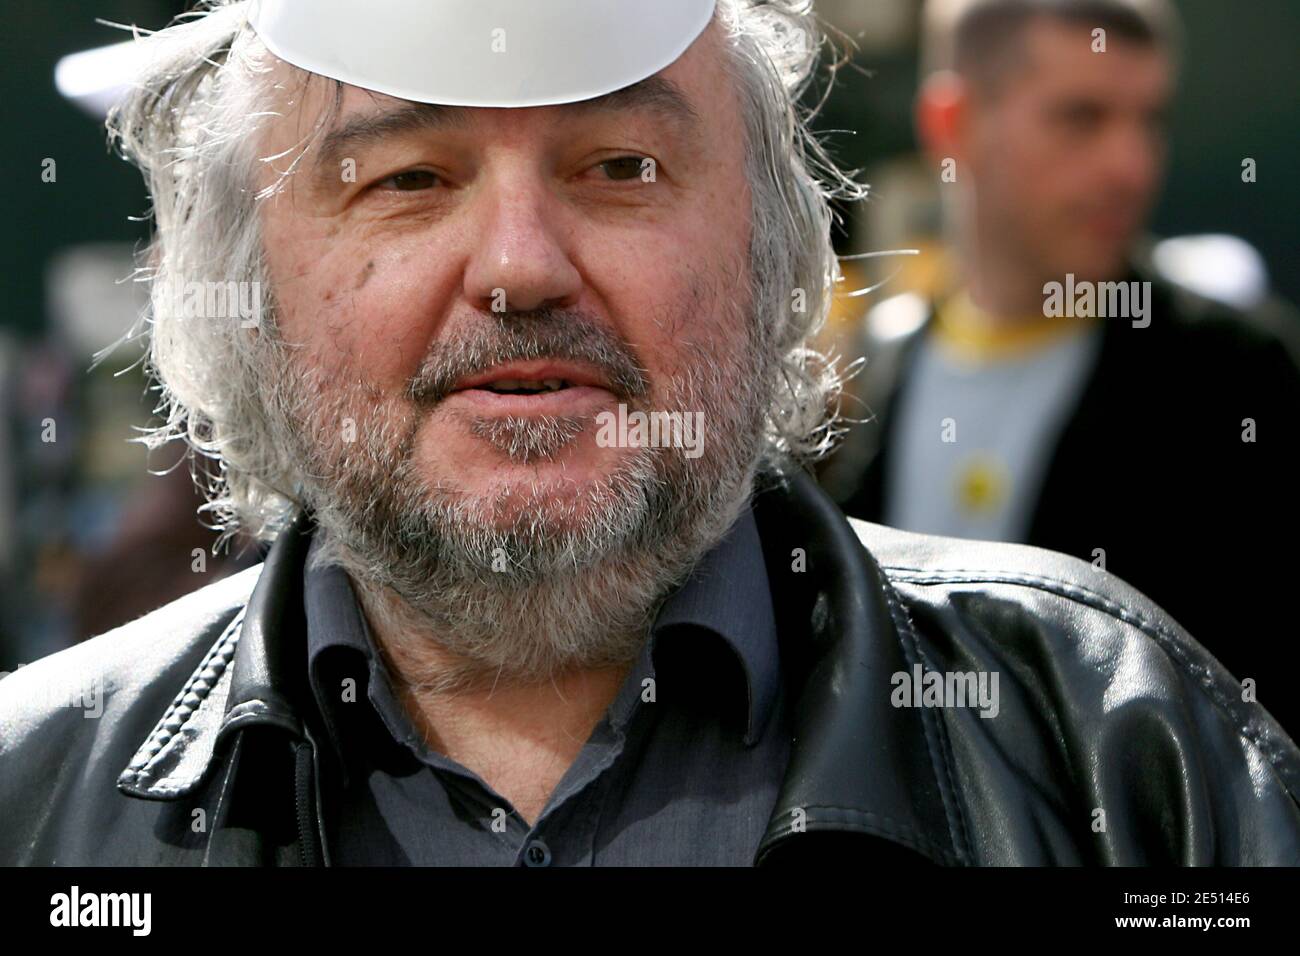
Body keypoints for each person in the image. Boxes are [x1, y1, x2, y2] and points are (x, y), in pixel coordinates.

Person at [1, 0, 1297, 867]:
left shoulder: (1132, 760)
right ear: (244, 291)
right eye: (408, 180)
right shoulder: (33, 797)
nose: (519, 267)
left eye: (620, 167)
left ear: (773, 253)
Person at [824, 0, 1300, 736]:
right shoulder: (870, 370)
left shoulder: (1235, 377)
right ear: (953, 126)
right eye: (1081, 118)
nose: (1131, 165)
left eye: (1150, 121)